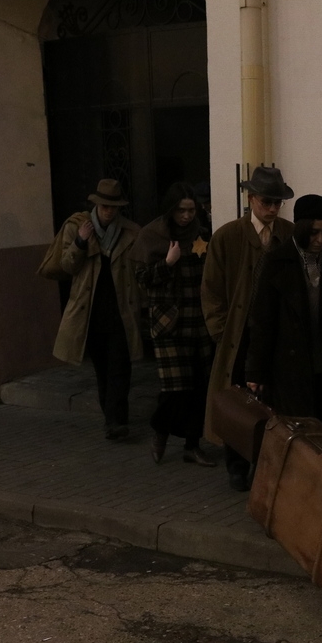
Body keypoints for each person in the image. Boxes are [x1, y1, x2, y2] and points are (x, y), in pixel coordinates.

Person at [201, 166, 295, 491]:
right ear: (251, 198)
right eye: (267, 201)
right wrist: (221, 332)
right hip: (239, 336)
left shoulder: (289, 234)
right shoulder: (227, 236)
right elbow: (211, 290)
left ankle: (268, 466)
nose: (272, 209)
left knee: (273, 402)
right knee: (238, 403)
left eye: (277, 203)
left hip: (276, 338)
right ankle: (237, 466)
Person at [245, 194, 322, 427]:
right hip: (292, 366)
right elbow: (263, 319)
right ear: (301, 229)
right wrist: (256, 371)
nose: (320, 239)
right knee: (299, 433)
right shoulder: (277, 260)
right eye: (314, 232)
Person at [52, 178, 144, 440]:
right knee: (103, 369)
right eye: (104, 206)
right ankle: (111, 418)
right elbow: (67, 266)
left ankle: (117, 421)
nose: (108, 211)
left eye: (113, 207)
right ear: (96, 205)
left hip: (121, 310)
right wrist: (81, 241)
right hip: (90, 311)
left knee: (120, 367)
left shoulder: (130, 232)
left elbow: (139, 269)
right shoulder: (77, 227)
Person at [133, 182, 216, 467]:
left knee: (198, 388)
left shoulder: (202, 234)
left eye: (191, 210)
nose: (187, 216)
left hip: (199, 320)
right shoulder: (152, 235)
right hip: (168, 323)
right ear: (171, 209)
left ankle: (192, 445)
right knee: (174, 389)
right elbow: (141, 279)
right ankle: (160, 433)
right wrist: (167, 264)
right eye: (181, 210)